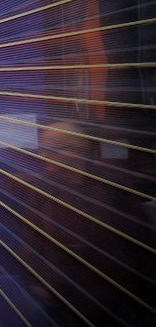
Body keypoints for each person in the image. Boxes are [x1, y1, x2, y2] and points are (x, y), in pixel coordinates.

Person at [19, 120, 155, 325]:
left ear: (77, 151)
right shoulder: (42, 187)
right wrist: (34, 281)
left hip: (113, 302)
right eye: (42, 150)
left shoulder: (113, 186)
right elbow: (30, 240)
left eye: (51, 150)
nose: (43, 156)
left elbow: (142, 242)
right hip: (60, 298)